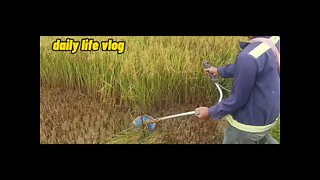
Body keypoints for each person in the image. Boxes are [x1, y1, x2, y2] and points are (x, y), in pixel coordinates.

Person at [195, 36, 280, 144]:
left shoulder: (247, 57)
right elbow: (249, 65)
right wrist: (219, 71)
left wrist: (210, 112)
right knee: (258, 137)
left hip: (247, 125)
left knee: (245, 137)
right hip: (269, 116)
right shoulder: (274, 40)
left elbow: (237, 100)